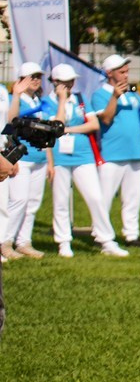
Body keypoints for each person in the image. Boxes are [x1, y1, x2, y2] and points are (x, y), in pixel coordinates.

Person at [43, 65, 123, 258]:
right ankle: (63, 242)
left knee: (95, 197)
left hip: (83, 155)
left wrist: (69, 130)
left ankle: (106, 240)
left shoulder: (81, 99)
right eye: (65, 82)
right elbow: (56, 126)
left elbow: (93, 124)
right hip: (60, 156)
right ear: (55, 83)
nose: (70, 85)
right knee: (61, 200)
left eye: (71, 81)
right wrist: (62, 102)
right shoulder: (48, 102)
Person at [91, 53, 140, 248]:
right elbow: (106, 119)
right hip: (112, 152)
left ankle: (131, 234)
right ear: (109, 73)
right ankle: (100, 234)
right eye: (121, 72)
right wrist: (115, 97)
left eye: (127, 71)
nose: (126, 75)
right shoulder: (100, 94)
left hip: (135, 150)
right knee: (105, 196)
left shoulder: (133, 94)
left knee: (133, 197)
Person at [1, 63, 49, 260]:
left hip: (26, 155)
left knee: (30, 202)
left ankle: (22, 241)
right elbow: (12, 124)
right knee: (17, 200)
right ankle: (6, 242)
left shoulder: (5, 92)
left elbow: (7, 126)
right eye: (32, 76)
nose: (37, 79)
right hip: (19, 157)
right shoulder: (13, 96)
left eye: (39, 76)